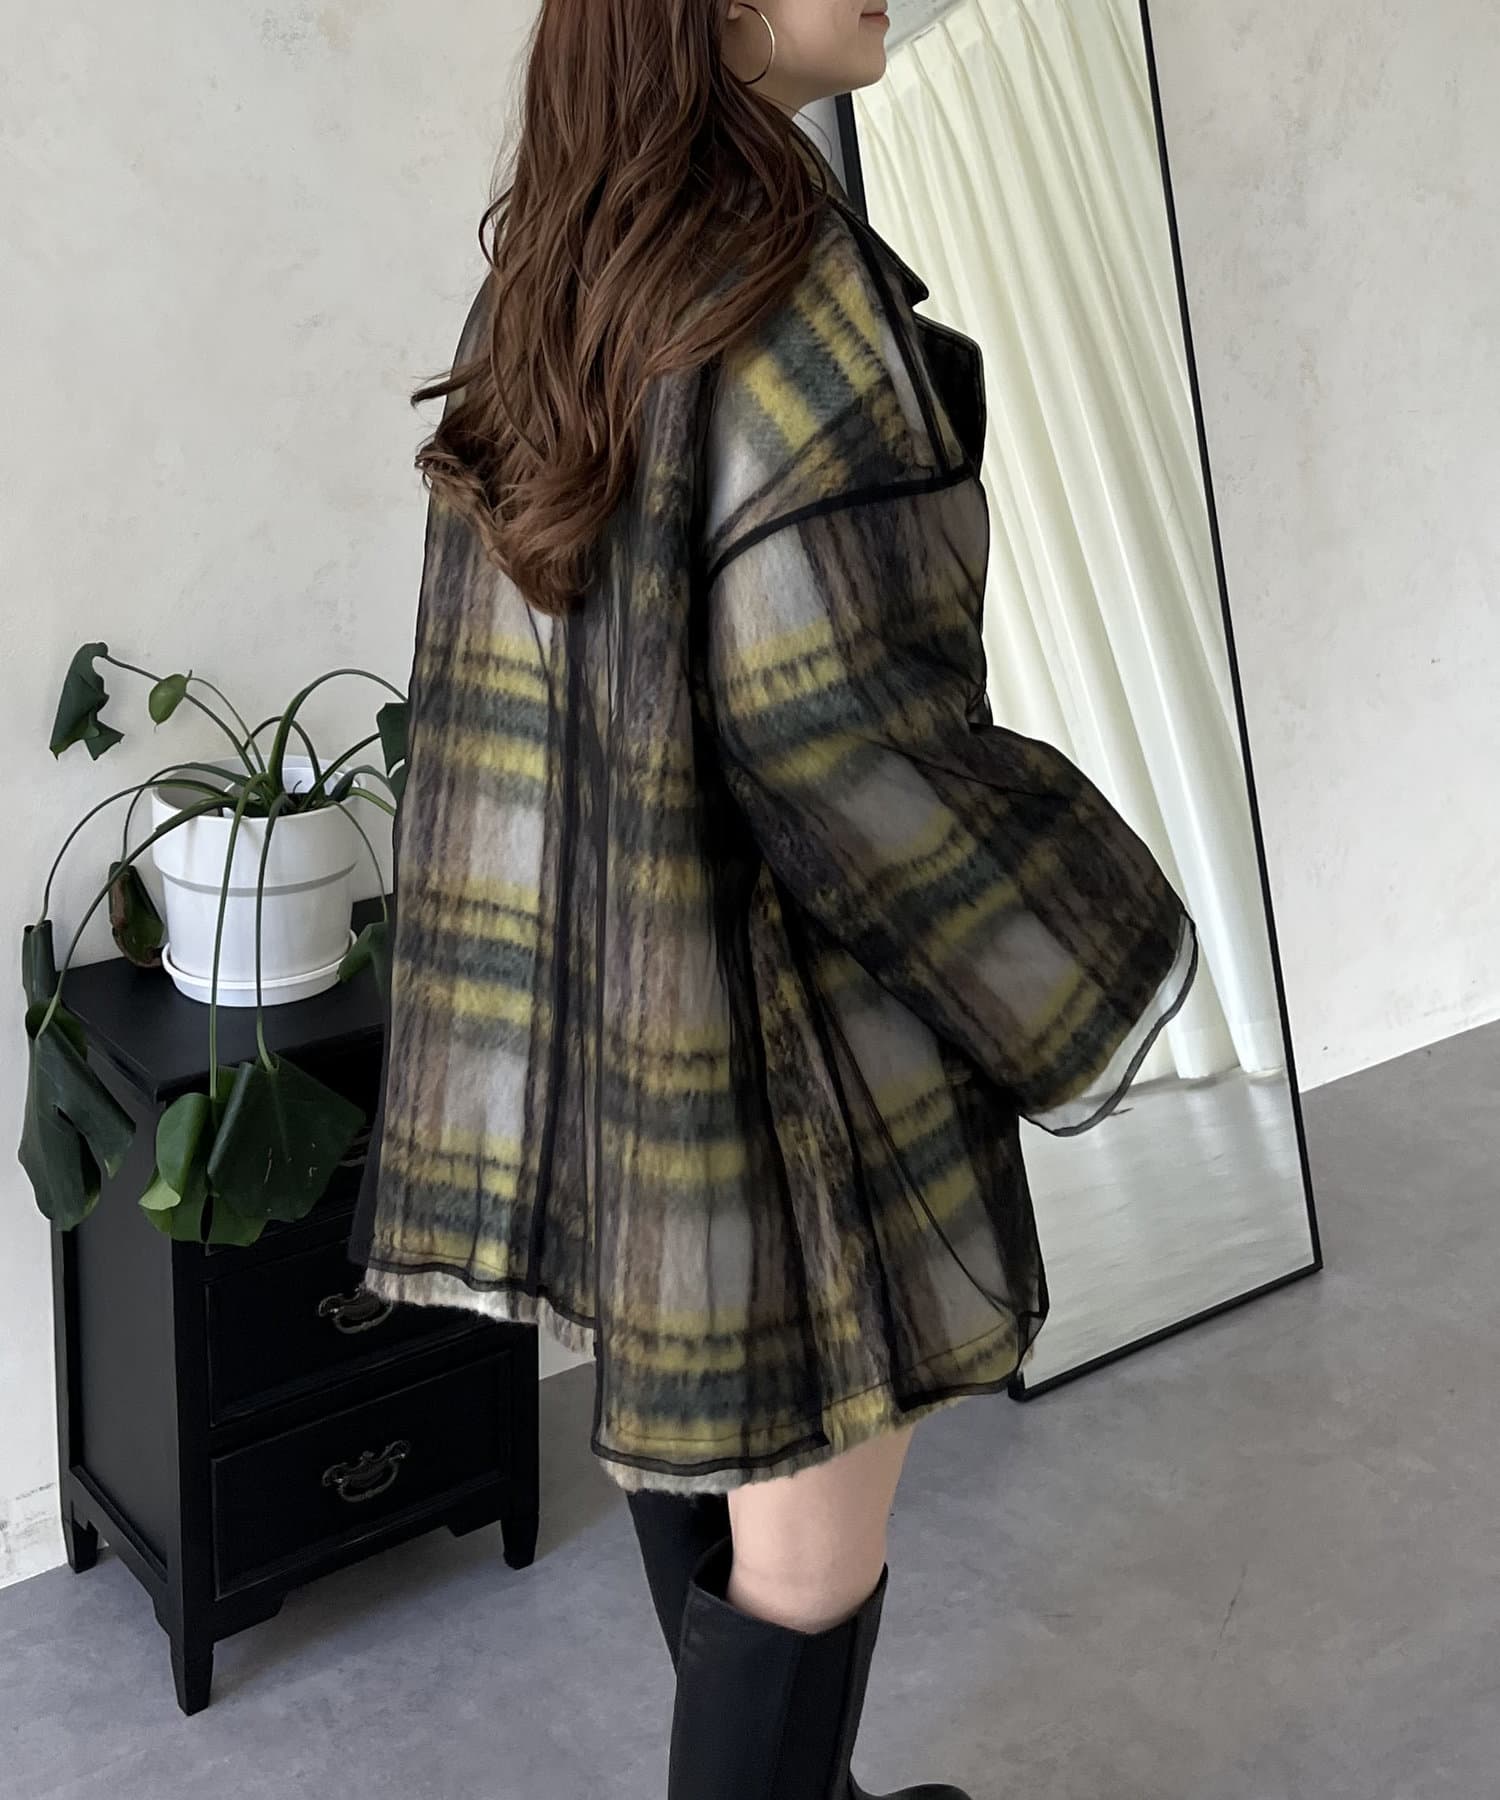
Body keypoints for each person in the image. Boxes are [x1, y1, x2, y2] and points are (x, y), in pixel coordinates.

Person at [347, 1, 1199, 1793]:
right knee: (805, 1559)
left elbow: (518, 696)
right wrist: (1091, 924)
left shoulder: (558, 277)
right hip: (789, 1039)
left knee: (705, 1439)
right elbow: (833, 728)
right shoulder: (788, 283)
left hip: (617, 1003)